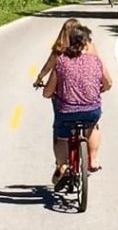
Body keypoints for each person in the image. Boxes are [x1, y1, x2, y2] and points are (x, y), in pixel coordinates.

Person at [43, 23, 112, 185]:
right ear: (85, 42)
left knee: (61, 136)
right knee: (93, 125)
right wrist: (97, 91)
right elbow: (108, 83)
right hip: (92, 111)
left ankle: (64, 164)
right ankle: (93, 159)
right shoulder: (96, 61)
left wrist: (51, 92)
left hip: (67, 111)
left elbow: (47, 92)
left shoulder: (61, 61)